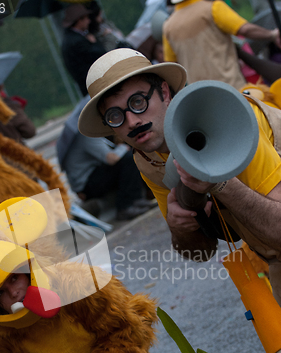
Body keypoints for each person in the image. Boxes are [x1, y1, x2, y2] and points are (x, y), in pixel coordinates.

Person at [78, 48, 281, 305]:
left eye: (138, 102)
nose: (131, 121)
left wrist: (220, 184)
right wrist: (179, 228)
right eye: (115, 116)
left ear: (164, 92)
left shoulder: (232, 121)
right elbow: (199, 253)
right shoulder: (147, 159)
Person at [57, 96, 153, 221]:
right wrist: (124, 147)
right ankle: (127, 206)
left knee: (125, 158)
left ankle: (139, 198)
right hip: (86, 185)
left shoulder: (83, 131)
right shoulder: (84, 134)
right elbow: (111, 159)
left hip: (87, 180)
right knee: (128, 159)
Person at [162, 0, 281, 90]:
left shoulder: (168, 27)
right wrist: (272, 34)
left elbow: (172, 64)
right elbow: (244, 29)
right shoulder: (212, 8)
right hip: (232, 88)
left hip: (200, 96)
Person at [61, 3, 106, 96]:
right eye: (86, 18)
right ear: (79, 20)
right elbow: (100, 55)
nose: (89, 21)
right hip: (95, 87)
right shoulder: (77, 41)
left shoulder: (71, 39)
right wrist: (94, 42)